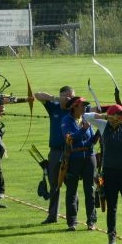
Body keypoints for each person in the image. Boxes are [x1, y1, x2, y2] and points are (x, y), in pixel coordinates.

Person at [84, 104, 122, 244]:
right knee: (112, 206)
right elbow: (85, 116)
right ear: (111, 115)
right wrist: (106, 117)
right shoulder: (103, 126)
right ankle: (112, 236)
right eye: (119, 114)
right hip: (109, 172)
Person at [34, 86, 76, 224]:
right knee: (54, 184)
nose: (70, 100)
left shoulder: (76, 109)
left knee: (71, 185)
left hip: (71, 152)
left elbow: (94, 111)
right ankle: (52, 216)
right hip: (55, 151)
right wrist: (56, 99)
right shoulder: (54, 107)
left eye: (72, 97)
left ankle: (73, 218)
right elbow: (37, 94)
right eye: (67, 97)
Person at [60, 96, 99, 230]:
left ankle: (91, 221)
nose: (84, 108)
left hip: (89, 157)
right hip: (74, 158)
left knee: (90, 190)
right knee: (71, 190)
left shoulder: (86, 119)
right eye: (82, 105)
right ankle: (72, 222)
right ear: (74, 107)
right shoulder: (66, 120)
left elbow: (92, 140)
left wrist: (100, 130)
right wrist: (83, 129)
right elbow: (70, 138)